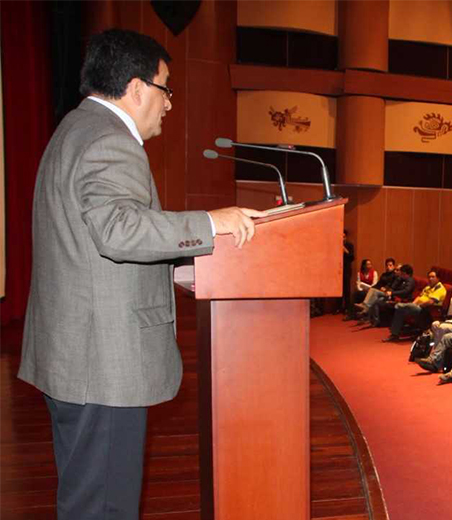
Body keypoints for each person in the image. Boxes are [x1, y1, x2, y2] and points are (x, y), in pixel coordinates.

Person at [18, 29, 268, 520]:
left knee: (87, 498)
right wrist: (210, 223)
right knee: (104, 507)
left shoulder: (76, 129)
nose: (169, 104)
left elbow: (90, 243)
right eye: (166, 88)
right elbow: (117, 228)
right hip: (103, 366)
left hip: (79, 357)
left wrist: (175, 270)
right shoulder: (109, 142)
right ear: (136, 88)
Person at [383, 269, 446, 342]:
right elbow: (419, 297)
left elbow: (430, 302)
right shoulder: (428, 287)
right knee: (400, 310)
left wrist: (419, 306)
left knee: (401, 307)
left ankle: (399, 305)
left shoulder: (440, 289)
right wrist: (413, 304)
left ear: (438, 278)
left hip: (427, 310)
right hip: (417, 307)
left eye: (433, 277)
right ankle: (394, 334)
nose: (430, 279)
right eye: (429, 277)